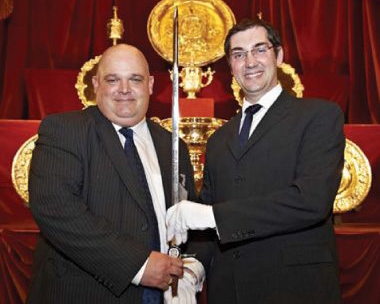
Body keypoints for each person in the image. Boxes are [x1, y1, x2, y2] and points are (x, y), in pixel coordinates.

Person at [166, 18, 345, 303]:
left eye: (259, 50)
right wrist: (193, 269)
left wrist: (212, 216)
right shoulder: (219, 139)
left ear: (279, 55)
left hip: (295, 288)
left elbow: (311, 201)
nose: (250, 62)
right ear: (230, 66)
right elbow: (209, 220)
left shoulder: (319, 116)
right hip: (229, 290)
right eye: (238, 54)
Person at [27, 44, 198, 303]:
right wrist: (138, 265)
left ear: (151, 84)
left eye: (135, 79)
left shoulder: (173, 146)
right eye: (113, 79)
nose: (125, 90)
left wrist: (191, 269)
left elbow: (187, 219)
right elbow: (56, 209)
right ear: (96, 84)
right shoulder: (64, 130)